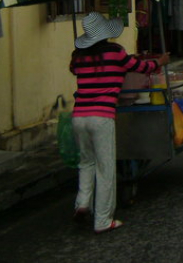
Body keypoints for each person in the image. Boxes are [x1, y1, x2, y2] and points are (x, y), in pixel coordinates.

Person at [70, 12, 169, 233]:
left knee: (86, 162)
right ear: (106, 34)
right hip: (101, 117)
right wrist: (160, 61)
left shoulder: (78, 56)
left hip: (79, 117)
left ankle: (82, 204)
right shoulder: (115, 53)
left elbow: (73, 69)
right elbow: (141, 67)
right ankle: (103, 220)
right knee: (106, 168)